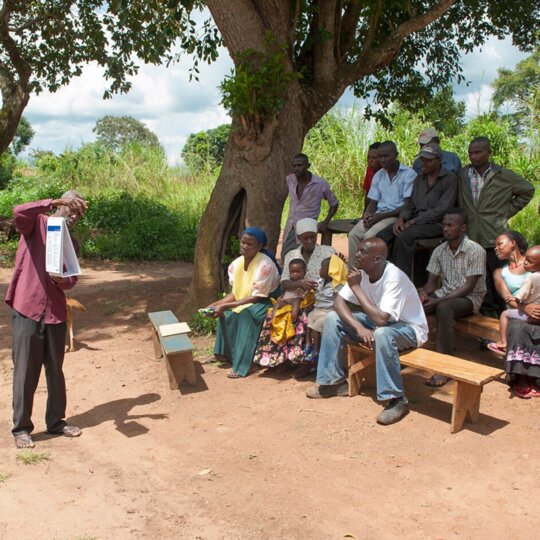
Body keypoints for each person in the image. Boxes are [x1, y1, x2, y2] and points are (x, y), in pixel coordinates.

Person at [305, 238, 428, 426]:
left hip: (409, 328)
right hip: (379, 323)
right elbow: (338, 303)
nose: (357, 254)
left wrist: (356, 287)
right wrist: (359, 327)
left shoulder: (394, 277)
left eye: (362, 252)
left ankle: (396, 399)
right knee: (331, 319)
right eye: (358, 250)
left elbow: (381, 319)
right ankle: (334, 382)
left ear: (377, 259)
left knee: (382, 333)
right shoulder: (361, 272)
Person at [6, 192, 88, 449]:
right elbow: (19, 211)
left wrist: (64, 281)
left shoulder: (71, 243)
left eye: (79, 214)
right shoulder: (36, 224)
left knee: (55, 371)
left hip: (55, 313)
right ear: (61, 206)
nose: (74, 217)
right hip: (27, 308)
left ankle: (56, 422)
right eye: (71, 210)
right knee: (25, 372)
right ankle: (21, 428)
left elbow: (72, 278)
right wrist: (51, 203)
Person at [457, 136, 535, 315]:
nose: (473, 156)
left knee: (498, 276)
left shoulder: (503, 175)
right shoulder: (463, 174)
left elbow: (528, 190)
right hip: (472, 235)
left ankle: (504, 313)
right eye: (470, 153)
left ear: (488, 152)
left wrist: (506, 212)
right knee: (478, 278)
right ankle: (484, 314)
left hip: (495, 235)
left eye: (478, 152)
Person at [419, 209, 487, 386]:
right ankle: (405, 353)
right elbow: (431, 283)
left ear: (462, 228)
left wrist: (437, 300)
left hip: (469, 299)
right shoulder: (439, 250)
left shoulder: (476, 251)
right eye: (444, 225)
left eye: (451, 225)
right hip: (445, 294)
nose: (446, 229)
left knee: (444, 308)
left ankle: (444, 366)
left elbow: (468, 287)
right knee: (416, 307)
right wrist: (424, 296)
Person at [207, 227, 280, 379]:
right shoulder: (236, 264)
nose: (245, 246)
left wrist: (226, 305)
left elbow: (257, 297)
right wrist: (217, 303)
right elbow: (235, 293)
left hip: (266, 300)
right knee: (226, 314)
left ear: (259, 246)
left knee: (247, 315)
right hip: (246, 299)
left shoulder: (265, 265)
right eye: (243, 242)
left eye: (250, 244)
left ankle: (245, 365)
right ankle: (222, 354)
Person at [377, 144, 458, 277]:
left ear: (438, 160)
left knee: (404, 236)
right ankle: (381, 275)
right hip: (415, 221)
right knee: (384, 235)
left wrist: (414, 221)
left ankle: (401, 279)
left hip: (436, 224)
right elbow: (411, 205)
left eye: (428, 160)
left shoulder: (449, 179)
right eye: (421, 159)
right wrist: (401, 219)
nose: (423, 163)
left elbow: (442, 209)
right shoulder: (419, 178)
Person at [348, 141, 416, 265]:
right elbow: (373, 201)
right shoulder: (379, 175)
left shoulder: (408, 174)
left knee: (369, 236)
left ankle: (368, 272)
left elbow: (408, 205)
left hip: (395, 217)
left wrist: (380, 217)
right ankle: (354, 271)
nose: (382, 160)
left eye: (386, 156)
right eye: (380, 156)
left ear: (395, 155)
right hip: (378, 215)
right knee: (353, 235)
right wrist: (368, 214)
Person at [253, 258, 315, 370]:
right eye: (292, 272)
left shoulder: (305, 284)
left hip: (296, 307)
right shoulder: (288, 283)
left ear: (304, 272)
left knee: (295, 302)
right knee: (276, 304)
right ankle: (274, 317)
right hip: (284, 306)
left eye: (298, 272)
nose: (295, 274)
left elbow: (307, 298)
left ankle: (294, 315)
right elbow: (283, 294)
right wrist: (281, 300)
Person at [281, 153, 339, 258]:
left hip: (308, 227)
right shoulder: (290, 180)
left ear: (308, 166)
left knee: (306, 257)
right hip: (291, 225)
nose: (296, 168)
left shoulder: (320, 184)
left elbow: (334, 204)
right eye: (294, 166)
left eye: (300, 165)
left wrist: (326, 221)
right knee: (286, 256)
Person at [488, 246, 540, 357]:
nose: (525, 263)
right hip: (537, 313)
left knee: (505, 314)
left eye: (529, 262)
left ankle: (503, 343)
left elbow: (521, 296)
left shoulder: (532, 277)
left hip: (529, 313)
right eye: (525, 259)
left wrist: (515, 299)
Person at [305, 255, 347, 362]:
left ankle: (316, 351)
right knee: (308, 322)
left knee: (316, 327)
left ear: (330, 271)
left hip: (328, 312)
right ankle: (308, 345)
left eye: (322, 268)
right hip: (317, 310)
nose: (320, 269)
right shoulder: (320, 281)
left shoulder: (337, 286)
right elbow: (315, 294)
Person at [281, 217, 336, 292]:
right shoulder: (291, 255)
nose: (310, 241)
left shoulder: (328, 252)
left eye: (313, 237)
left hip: (323, 297)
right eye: (305, 238)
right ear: (298, 238)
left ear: (316, 236)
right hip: (297, 298)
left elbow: (337, 277)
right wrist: (300, 283)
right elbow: (284, 282)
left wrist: (339, 266)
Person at [362, 142, 382, 208]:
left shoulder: (387, 172)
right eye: (369, 157)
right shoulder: (369, 170)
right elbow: (368, 193)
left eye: (374, 158)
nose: (370, 160)